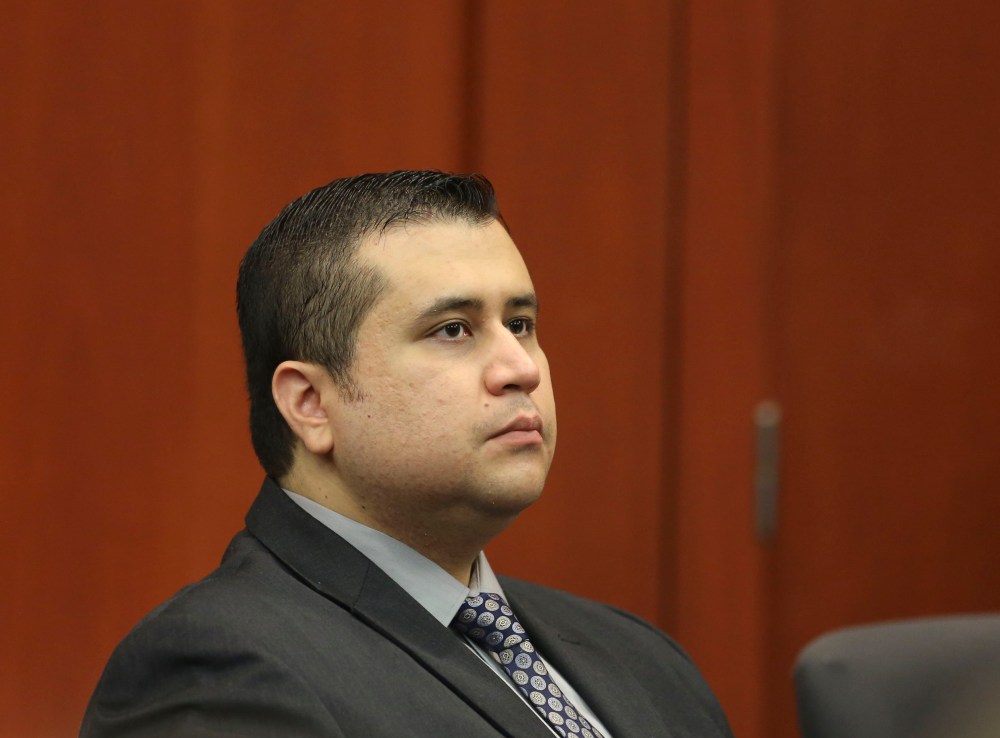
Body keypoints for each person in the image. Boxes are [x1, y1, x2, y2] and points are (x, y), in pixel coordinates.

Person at [81, 171, 734, 738]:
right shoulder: (217, 667)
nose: (519, 367)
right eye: (453, 330)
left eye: (522, 324)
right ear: (311, 403)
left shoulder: (642, 657)